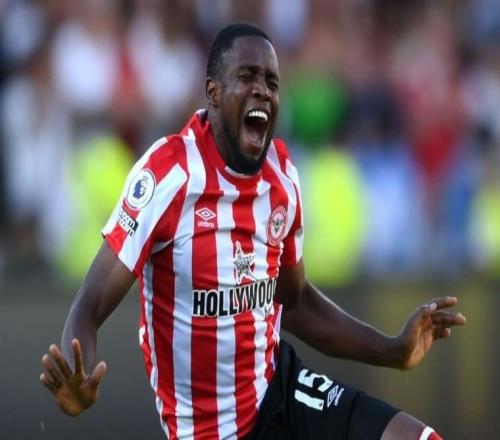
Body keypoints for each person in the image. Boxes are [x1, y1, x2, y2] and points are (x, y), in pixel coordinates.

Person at [40, 23, 466, 440]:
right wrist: (78, 374)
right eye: (247, 77)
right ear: (213, 93)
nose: (263, 90)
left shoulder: (281, 178)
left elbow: (295, 301)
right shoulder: (169, 175)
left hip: (279, 390)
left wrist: (392, 350)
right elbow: (89, 305)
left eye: (272, 82)